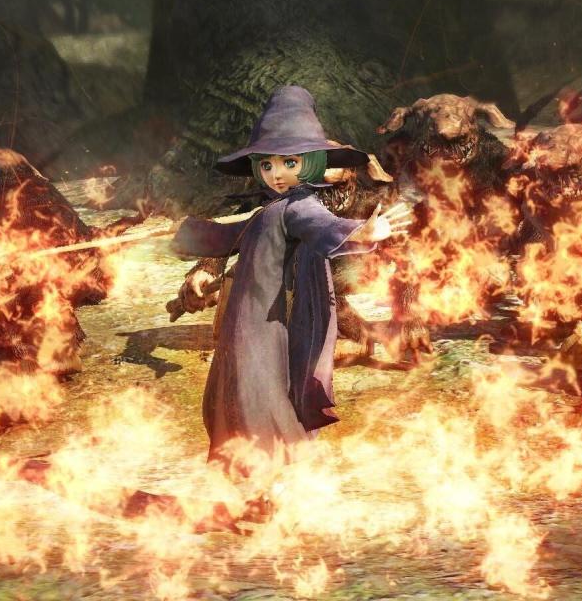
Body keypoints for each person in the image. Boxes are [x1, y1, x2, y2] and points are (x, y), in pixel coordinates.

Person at [172, 85, 411, 471]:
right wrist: (192, 236)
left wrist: (363, 233)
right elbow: (234, 236)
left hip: (279, 314)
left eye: (290, 162)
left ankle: (273, 469)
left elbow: (322, 226)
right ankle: (252, 467)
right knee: (239, 384)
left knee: (263, 388)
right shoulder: (272, 207)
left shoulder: (303, 206)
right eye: (267, 165)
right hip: (251, 310)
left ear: (315, 163)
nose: (277, 174)